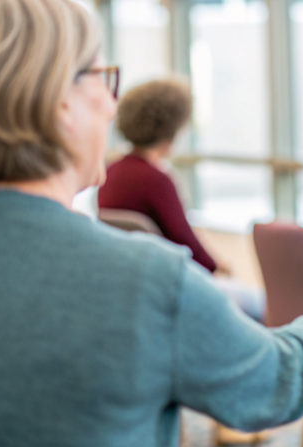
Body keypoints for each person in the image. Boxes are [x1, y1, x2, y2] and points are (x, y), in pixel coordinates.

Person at [0, 0, 303, 447]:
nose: (111, 106)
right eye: (103, 79)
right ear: (57, 100)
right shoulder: (150, 282)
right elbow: (274, 381)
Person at [98, 79, 265, 322]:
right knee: (259, 302)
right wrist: (219, 266)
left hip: (135, 283)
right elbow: (184, 240)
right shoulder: (156, 179)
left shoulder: (111, 171)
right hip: (173, 285)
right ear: (170, 130)